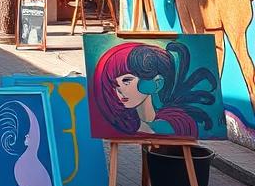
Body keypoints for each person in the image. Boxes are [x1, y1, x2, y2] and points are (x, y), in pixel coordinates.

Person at [91, 40, 219, 137]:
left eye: (127, 81)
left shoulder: (170, 125)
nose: (119, 90)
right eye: (115, 84)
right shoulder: (127, 123)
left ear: (157, 83)